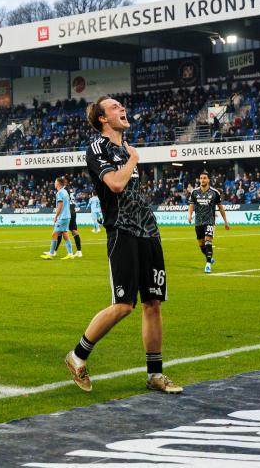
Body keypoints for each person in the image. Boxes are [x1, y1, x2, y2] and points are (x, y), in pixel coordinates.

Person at [64, 96, 182, 394]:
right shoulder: (98, 148)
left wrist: (130, 157)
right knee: (123, 305)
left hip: (148, 231)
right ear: (103, 118)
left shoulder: (126, 147)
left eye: (121, 105)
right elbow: (116, 184)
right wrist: (133, 160)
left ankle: (155, 374)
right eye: (115, 107)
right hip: (122, 231)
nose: (122, 108)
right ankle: (77, 355)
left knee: (153, 304)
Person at [187, 172, 229, 273]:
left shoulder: (214, 193)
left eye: (204, 178)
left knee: (208, 241)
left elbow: (220, 208)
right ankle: (209, 257)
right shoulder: (194, 192)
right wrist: (189, 215)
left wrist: (226, 221)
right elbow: (191, 205)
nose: (202, 180)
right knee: (201, 244)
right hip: (198, 222)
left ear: (208, 180)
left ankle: (208, 264)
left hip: (210, 221)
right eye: (201, 178)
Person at [41, 176, 75, 260]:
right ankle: (70, 253)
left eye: (55, 182)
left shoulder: (59, 193)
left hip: (62, 217)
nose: (54, 183)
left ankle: (51, 253)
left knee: (54, 234)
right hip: (67, 216)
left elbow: (60, 205)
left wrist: (56, 216)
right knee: (65, 234)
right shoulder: (65, 191)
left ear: (58, 183)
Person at [67, 182, 83, 257]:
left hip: (67, 211)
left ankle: (53, 251)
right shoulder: (71, 190)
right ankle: (79, 251)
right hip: (73, 210)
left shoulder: (64, 189)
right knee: (74, 231)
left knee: (60, 231)